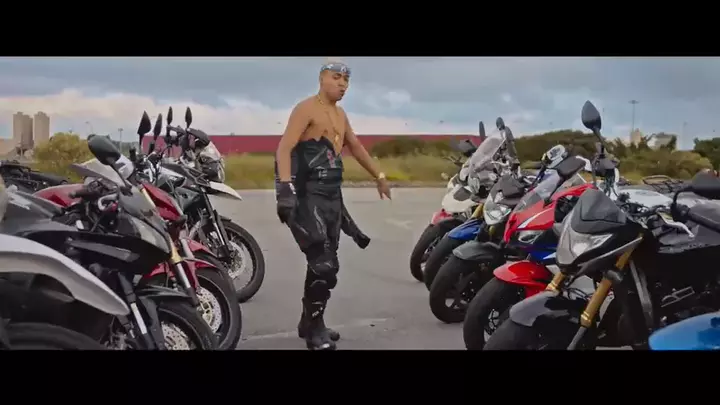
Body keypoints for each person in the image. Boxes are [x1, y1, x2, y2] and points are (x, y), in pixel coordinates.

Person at [274, 59, 392, 350]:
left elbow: (356, 146)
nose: (342, 84)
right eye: (336, 77)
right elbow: (284, 148)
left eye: (346, 80)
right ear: (322, 79)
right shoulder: (306, 109)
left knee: (326, 264)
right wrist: (285, 188)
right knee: (323, 265)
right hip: (307, 196)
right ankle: (313, 332)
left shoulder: (340, 115)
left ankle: (311, 321)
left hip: (332, 198)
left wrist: (378, 176)